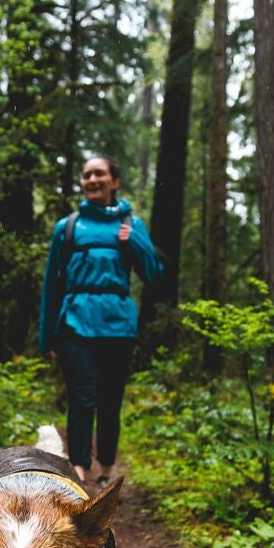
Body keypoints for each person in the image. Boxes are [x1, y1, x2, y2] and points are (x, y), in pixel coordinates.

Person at [38, 154, 163, 489]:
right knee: (82, 397)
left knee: (110, 399)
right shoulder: (67, 227)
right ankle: (78, 470)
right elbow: (53, 283)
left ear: (114, 181)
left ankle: (105, 466)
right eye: (87, 175)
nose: (92, 180)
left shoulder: (132, 225)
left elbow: (154, 275)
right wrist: (46, 337)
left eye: (99, 174)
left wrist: (133, 241)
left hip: (118, 324)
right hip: (75, 320)